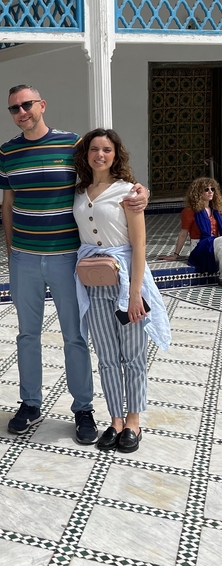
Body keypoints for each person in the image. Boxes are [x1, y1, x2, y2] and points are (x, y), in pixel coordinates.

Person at [0, 85, 148, 444]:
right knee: (27, 335)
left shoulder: (74, 144)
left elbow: (105, 173)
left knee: (75, 336)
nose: (22, 112)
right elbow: (7, 203)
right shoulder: (7, 151)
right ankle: (30, 403)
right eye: (14, 108)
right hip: (25, 258)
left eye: (27, 104)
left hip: (67, 258)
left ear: (42, 105)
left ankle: (83, 408)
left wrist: (141, 192)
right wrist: (11, 248)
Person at [73, 129, 170, 452]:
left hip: (125, 282)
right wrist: (83, 141)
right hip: (93, 282)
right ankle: (114, 419)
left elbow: (139, 244)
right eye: (94, 149)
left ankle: (133, 420)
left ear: (116, 155)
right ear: (86, 154)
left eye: (107, 149)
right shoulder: (80, 190)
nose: (100, 155)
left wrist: (134, 293)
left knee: (133, 356)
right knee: (107, 357)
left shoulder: (129, 192)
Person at [159, 177, 222, 279]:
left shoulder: (215, 210)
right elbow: (183, 234)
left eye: (212, 189)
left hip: (215, 245)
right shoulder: (189, 211)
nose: (210, 192)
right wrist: (175, 255)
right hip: (200, 247)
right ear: (198, 193)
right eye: (206, 189)